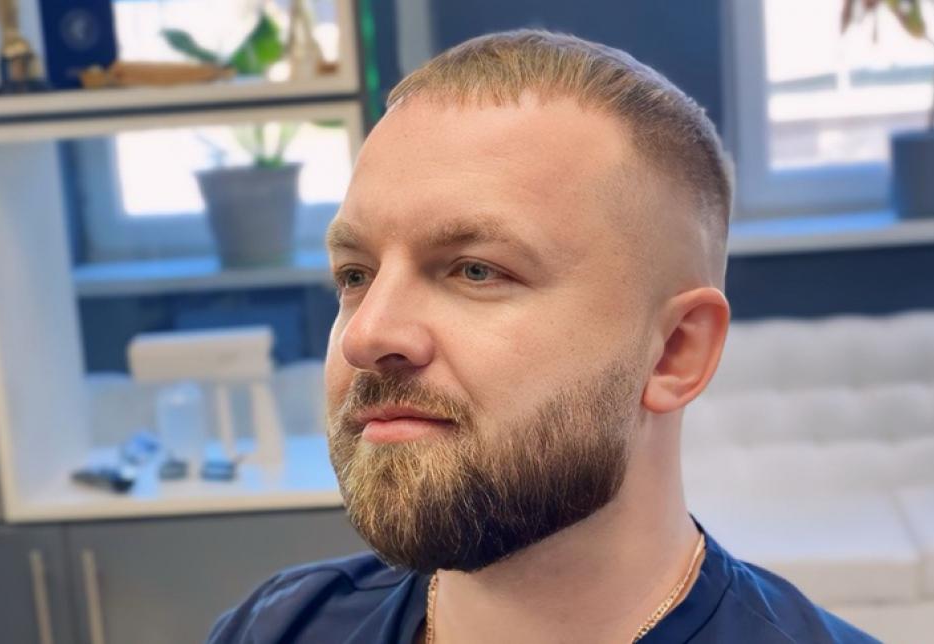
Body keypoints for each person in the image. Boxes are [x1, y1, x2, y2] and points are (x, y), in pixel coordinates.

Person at [207, 29, 879, 644]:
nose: (366, 335)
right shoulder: (278, 626)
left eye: (476, 270)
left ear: (676, 352)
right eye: (355, 275)